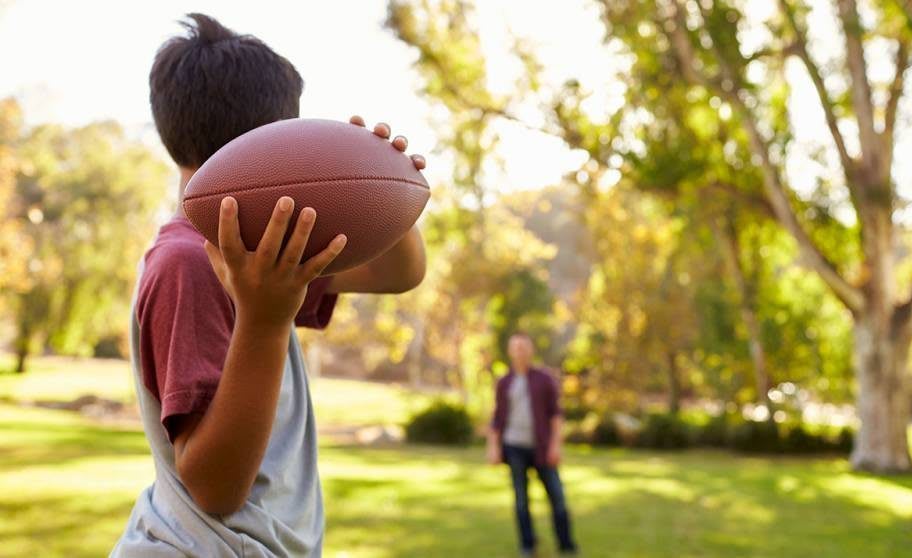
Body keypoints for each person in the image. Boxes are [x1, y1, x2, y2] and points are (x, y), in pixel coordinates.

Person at [112, 14, 426, 557]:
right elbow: (214, 488)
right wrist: (266, 319)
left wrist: (385, 181)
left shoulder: (264, 251)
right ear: (272, 143)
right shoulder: (186, 262)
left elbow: (397, 275)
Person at [488, 333, 579, 557]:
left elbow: (556, 415)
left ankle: (566, 545)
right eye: (515, 347)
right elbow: (497, 417)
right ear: (510, 351)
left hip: (542, 447)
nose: (520, 351)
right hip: (514, 447)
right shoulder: (504, 382)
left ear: (530, 350)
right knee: (521, 501)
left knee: (557, 498)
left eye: (523, 347)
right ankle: (527, 545)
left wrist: (555, 446)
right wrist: (493, 446)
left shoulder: (544, 379)